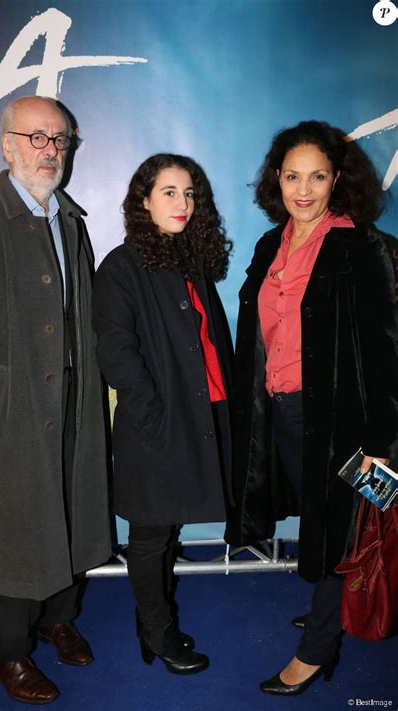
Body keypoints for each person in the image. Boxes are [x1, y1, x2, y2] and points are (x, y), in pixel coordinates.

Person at [0, 96, 111, 704]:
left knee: (74, 515)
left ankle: (58, 617)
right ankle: (7, 653)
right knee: (13, 531)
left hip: (75, 402)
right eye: (35, 138)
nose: (49, 150)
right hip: (6, 409)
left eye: (59, 139)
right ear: (6, 144)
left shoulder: (73, 221)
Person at [224, 121, 397, 696]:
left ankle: (318, 648)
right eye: (292, 176)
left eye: (317, 176)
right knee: (329, 523)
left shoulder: (359, 247)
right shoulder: (270, 243)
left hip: (344, 425)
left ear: (337, 180)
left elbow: (384, 353)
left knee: (346, 530)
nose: (303, 189)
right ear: (277, 179)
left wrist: (381, 447)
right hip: (285, 413)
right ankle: (338, 603)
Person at [92, 154, 234, 675]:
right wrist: (155, 418)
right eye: (170, 192)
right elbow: (116, 355)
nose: (182, 203)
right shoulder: (121, 267)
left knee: (166, 528)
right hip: (156, 424)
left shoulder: (188, 260)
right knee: (151, 534)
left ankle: (156, 618)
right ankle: (156, 629)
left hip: (200, 414)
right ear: (144, 200)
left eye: (190, 193)